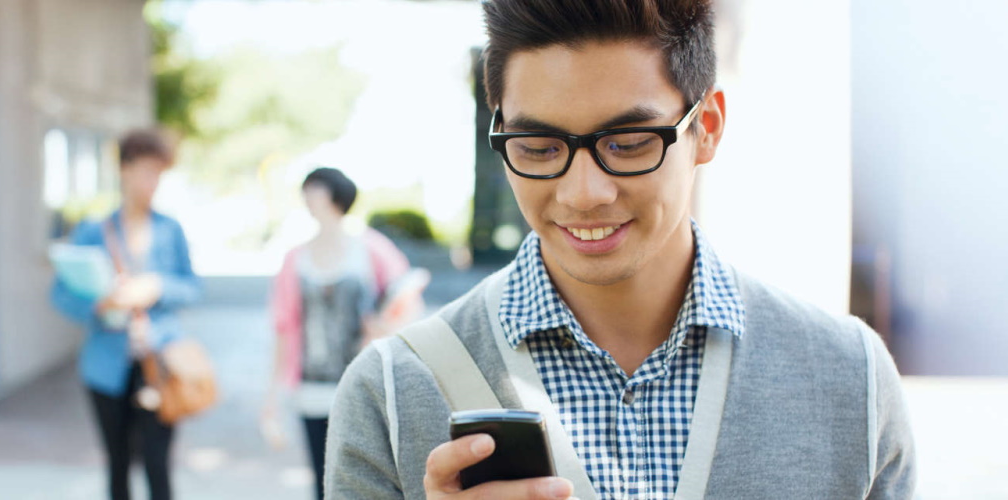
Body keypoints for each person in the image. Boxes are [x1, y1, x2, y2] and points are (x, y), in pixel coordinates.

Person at [324, 1, 915, 499]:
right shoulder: (391, 393)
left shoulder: (849, 378)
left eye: (629, 142)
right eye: (537, 146)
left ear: (706, 127)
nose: (583, 193)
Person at [51, 128, 202, 500]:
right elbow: (60, 294)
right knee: (118, 464)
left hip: (160, 363)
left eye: (158, 174)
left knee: (157, 464)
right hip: (107, 364)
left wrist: (157, 287)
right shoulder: (93, 231)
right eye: (147, 171)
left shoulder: (169, 229)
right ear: (125, 170)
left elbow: (192, 287)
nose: (153, 182)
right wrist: (100, 304)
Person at [260, 167, 425, 500]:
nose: (308, 196)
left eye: (315, 188)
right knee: (321, 481)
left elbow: (410, 300)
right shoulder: (296, 258)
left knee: (366, 479)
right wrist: (273, 396)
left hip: (364, 382)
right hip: (312, 385)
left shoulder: (371, 249)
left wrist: (382, 327)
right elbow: (284, 327)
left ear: (335, 195)